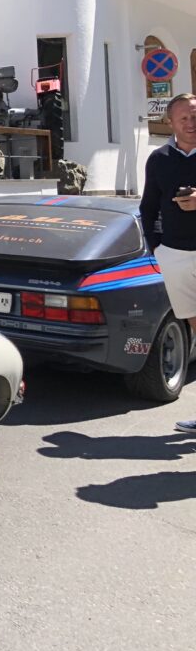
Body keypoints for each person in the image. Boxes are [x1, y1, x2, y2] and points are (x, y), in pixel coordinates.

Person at [141, 94, 196, 431]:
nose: (191, 124)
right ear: (171, 123)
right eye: (184, 119)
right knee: (193, 326)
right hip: (174, 255)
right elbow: (148, 206)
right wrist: (156, 248)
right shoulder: (159, 159)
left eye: (195, 116)